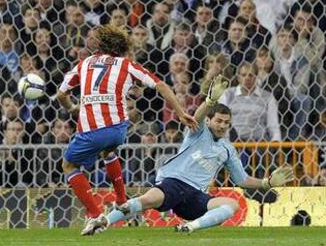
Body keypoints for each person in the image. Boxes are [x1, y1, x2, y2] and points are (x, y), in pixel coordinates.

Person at [85, 75, 293, 235]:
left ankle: (189, 227)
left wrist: (267, 182)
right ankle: (103, 222)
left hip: (195, 197)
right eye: (218, 121)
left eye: (226, 123)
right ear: (210, 121)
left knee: (231, 205)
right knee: (147, 200)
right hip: (174, 182)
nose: (222, 125)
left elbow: (242, 179)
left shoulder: (228, 149)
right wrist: (210, 101)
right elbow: (197, 116)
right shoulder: (198, 131)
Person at [56, 25, 198, 235]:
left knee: (68, 165)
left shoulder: (84, 63)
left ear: (100, 44)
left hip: (92, 130)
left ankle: (95, 215)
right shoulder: (127, 65)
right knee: (109, 151)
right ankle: (122, 200)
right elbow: (161, 86)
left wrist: (72, 108)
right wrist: (180, 112)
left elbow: (61, 94)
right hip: (118, 128)